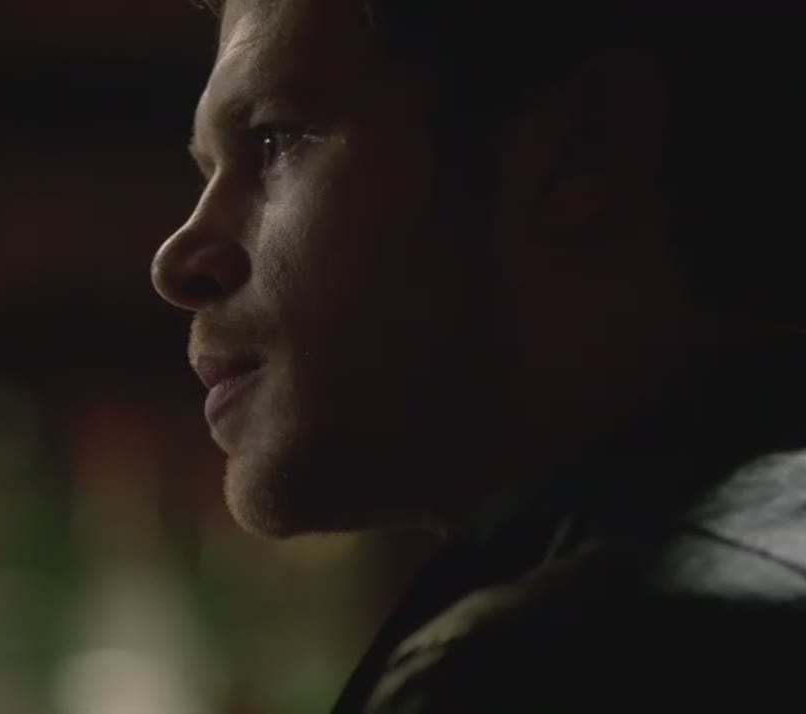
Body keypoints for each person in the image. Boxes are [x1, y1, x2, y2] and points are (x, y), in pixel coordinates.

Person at [149, 1, 806, 711]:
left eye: (276, 141)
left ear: (581, 148)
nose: (176, 263)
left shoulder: (543, 669)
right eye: (208, 170)